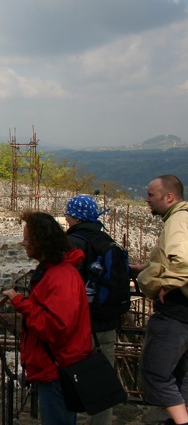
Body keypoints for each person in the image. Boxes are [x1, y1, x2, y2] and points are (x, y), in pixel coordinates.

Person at [3, 210, 93, 425]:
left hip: (57, 367)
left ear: (40, 241)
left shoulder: (60, 276)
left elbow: (56, 327)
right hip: (57, 364)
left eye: (27, 238)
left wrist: (19, 302)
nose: (23, 243)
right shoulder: (58, 271)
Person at [132, 175, 188, 425]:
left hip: (175, 311)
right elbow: (169, 257)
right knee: (183, 372)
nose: (147, 200)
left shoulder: (177, 220)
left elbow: (184, 261)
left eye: (151, 195)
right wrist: (146, 267)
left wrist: (168, 283)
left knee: (154, 372)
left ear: (169, 197)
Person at [64, 195, 119, 425]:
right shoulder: (106, 240)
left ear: (74, 217)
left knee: (68, 375)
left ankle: (68, 419)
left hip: (79, 323)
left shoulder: (73, 243)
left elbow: (65, 282)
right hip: (106, 320)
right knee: (102, 377)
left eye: (67, 213)